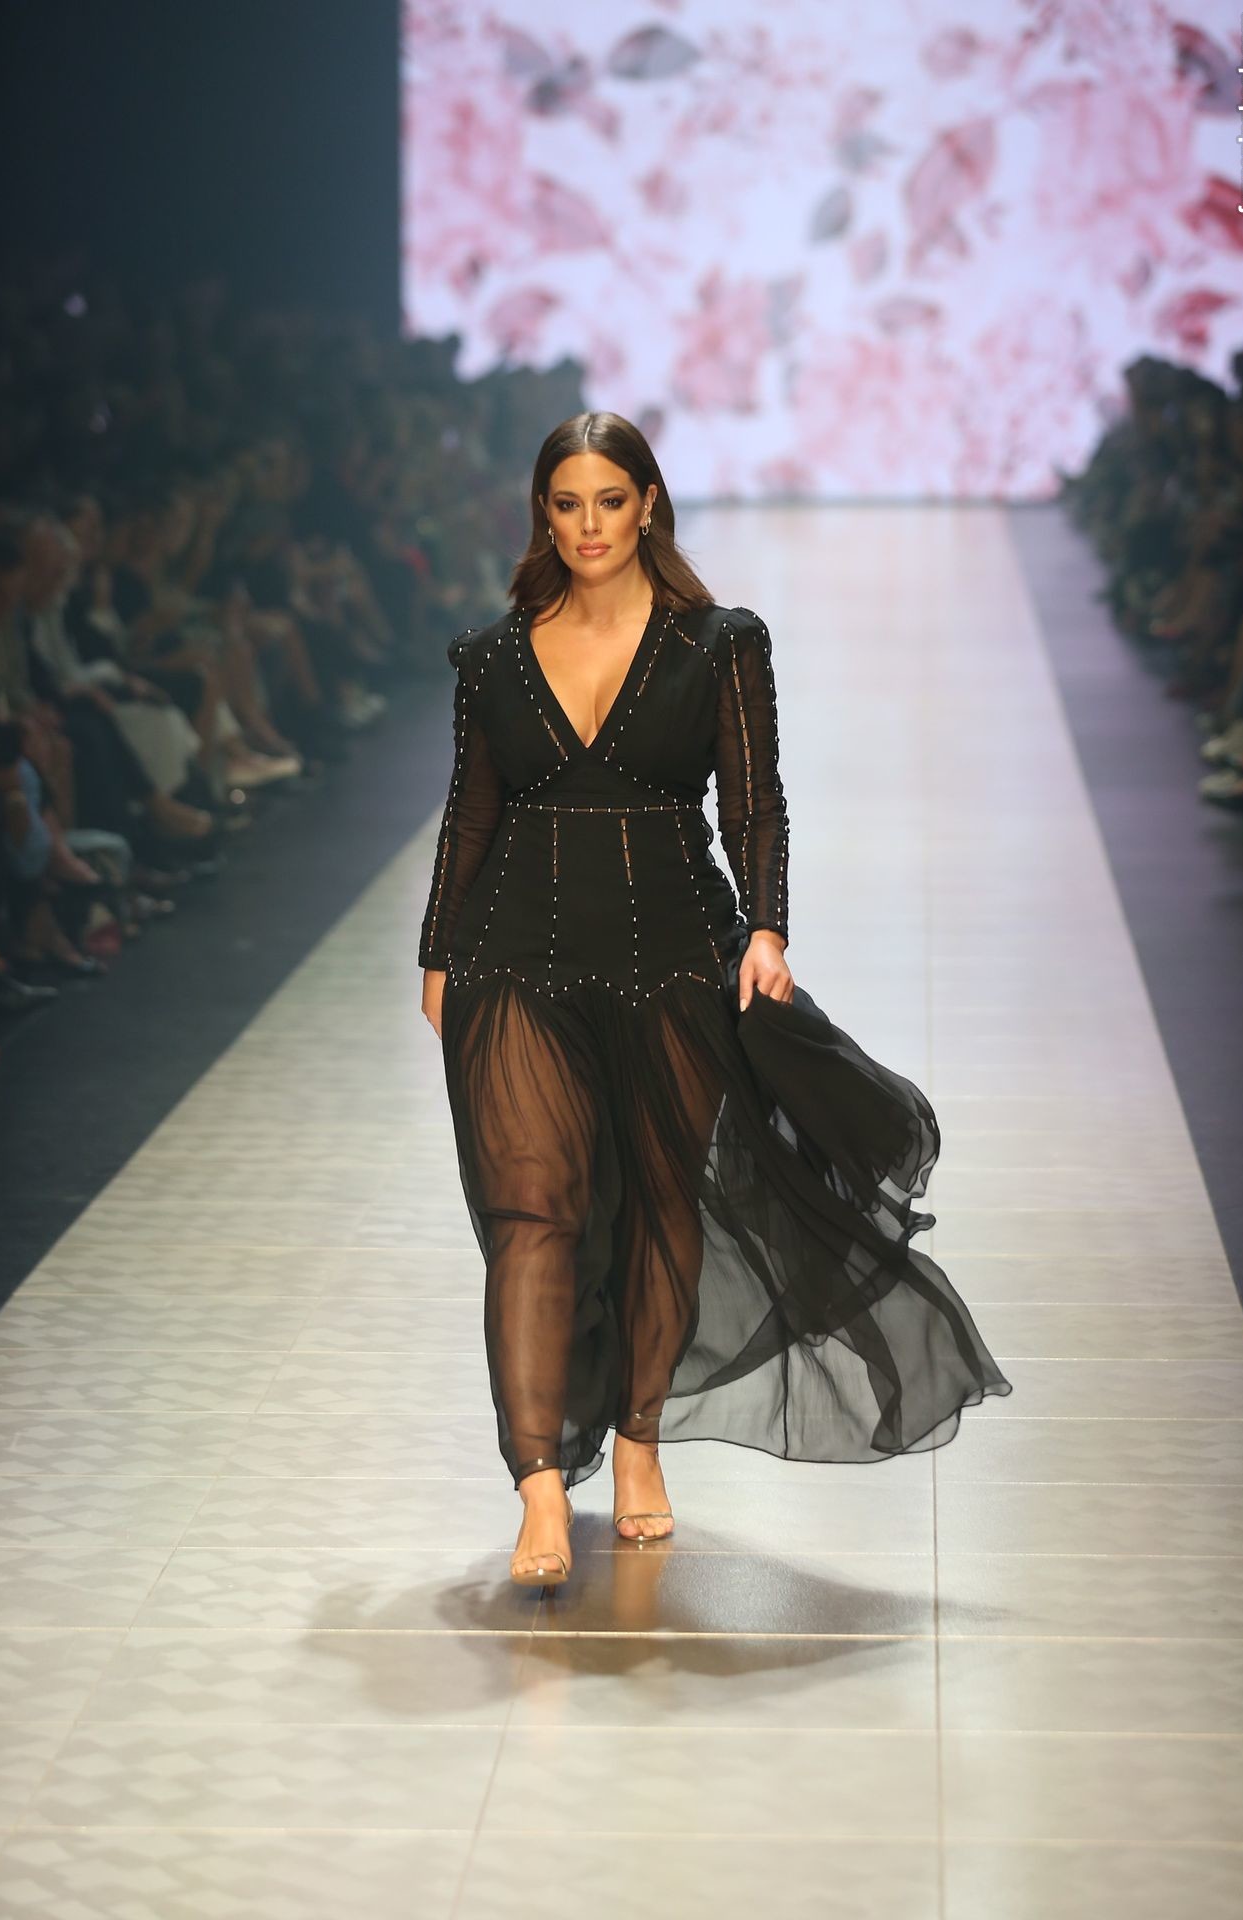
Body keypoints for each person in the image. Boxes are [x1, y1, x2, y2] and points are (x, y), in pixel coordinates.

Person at [418, 412, 1012, 1589]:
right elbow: (470, 813)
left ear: (647, 504)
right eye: (566, 505)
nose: (588, 525)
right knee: (531, 1216)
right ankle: (538, 1483)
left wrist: (767, 928)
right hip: (513, 961)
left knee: (658, 1208)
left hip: (674, 955)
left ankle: (638, 1439)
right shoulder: (491, 658)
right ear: (543, 515)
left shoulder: (718, 645)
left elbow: (754, 804)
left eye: (608, 501)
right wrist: (438, 955)